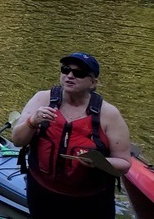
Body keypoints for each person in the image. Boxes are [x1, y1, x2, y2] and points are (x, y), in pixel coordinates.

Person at [12, 52, 132, 218]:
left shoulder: (109, 114)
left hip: (90, 201)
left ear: (93, 83)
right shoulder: (42, 99)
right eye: (65, 70)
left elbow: (125, 163)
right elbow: (17, 140)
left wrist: (99, 161)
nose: (69, 76)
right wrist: (32, 121)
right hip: (42, 192)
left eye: (79, 73)